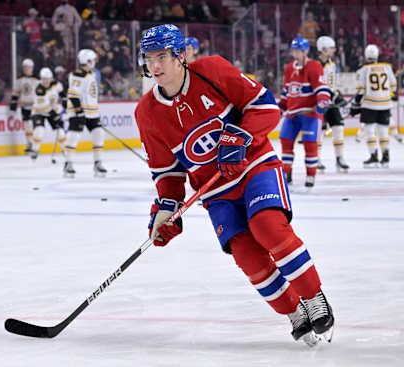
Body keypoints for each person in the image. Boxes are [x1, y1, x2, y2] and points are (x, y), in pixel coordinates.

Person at [135, 24, 334, 346]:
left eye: (162, 56)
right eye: (148, 57)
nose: (154, 66)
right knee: (245, 254)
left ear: (181, 55)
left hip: (254, 166)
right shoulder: (146, 113)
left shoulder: (212, 69)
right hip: (215, 191)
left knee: (267, 226)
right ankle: (294, 312)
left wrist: (239, 136)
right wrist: (166, 209)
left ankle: (313, 298)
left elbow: (267, 106)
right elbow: (167, 172)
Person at [278, 37, 331, 188]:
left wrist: (323, 101)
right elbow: (286, 91)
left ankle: (310, 175)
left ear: (306, 51)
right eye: (294, 51)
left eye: (298, 51)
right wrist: (280, 107)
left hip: (310, 113)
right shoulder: (289, 68)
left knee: (310, 144)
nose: (296, 54)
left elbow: (321, 87)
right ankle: (287, 174)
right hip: (292, 113)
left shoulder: (314, 66)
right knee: (285, 140)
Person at [351, 44, 396, 168]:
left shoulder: (363, 69)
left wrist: (355, 104)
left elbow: (360, 90)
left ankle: (373, 156)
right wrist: (386, 95)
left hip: (370, 104)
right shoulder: (387, 67)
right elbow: (393, 86)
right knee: (383, 132)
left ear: (366, 55)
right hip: (385, 104)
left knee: (370, 131)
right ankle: (386, 157)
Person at [63, 49, 106, 178]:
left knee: (98, 134)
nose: (94, 62)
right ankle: (68, 163)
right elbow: (73, 94)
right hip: (80, 112)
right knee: (74, 136)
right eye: (92, 60)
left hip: (92, 112)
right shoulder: (78, 75)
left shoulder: (90, 74)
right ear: (87, 61)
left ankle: (98, 163)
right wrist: (78, 110)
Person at [316, 36, 349, 172]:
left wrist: (337, 94)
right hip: (319, 103)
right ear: (323, 49)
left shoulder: (332, 64)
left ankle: (339, 158)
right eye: (331, 48)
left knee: (338, 128)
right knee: (319, 131)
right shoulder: (314, 65)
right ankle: (316, 159)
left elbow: (332, 84)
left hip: (331, 102)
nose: (334, 50)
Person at [29, 67, 65, 160]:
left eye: (48, 79)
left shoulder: (57, 84)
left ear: (51, 78)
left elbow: (61, 92)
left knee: (60, 130)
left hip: (52, 111)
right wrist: (55, 115)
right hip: (38, 111)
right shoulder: (38, 89)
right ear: (41, 79)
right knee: (39, 130)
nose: (46, 81)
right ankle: (35, 150)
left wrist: (64, 99)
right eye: (44, 79)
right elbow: (44, 107)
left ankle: (65, 150)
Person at [10, 58, 39, 154]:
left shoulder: (37, 79)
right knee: (27, 125)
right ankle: (29, 144)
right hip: (24, 105)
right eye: (25, 67)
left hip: (35, 106)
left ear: (32, 68)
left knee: (33, 125)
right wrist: (13, 103)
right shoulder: (19, 80)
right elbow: (16, 92)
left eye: (28, 67)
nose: (27, 69)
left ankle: (35, 144)